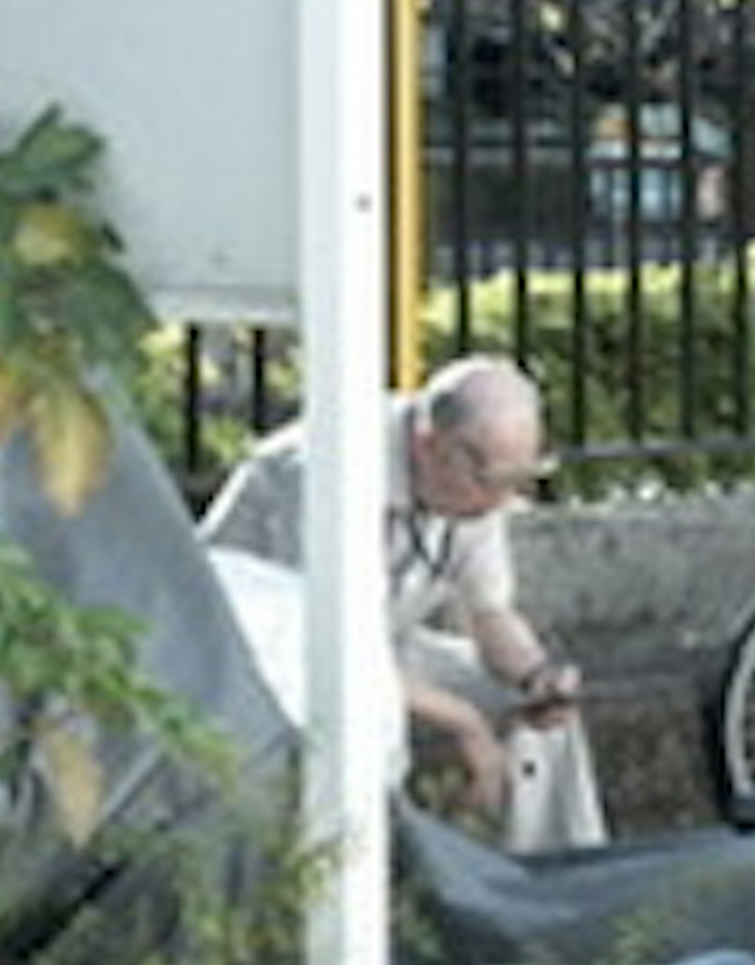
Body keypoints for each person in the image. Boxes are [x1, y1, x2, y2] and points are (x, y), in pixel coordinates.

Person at [197, 354, 608, 852]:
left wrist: (538, 676)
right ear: (429, 445)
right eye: (493, 481)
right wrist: (465, 722)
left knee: (543, 717)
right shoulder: (324, 475)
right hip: (267, 667)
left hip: (376, 649)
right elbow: (332, 653)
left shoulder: (471, 481)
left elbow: (490, 612)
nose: (504, 500)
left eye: (519, 480)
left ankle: (548, 881)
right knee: (371, 728)